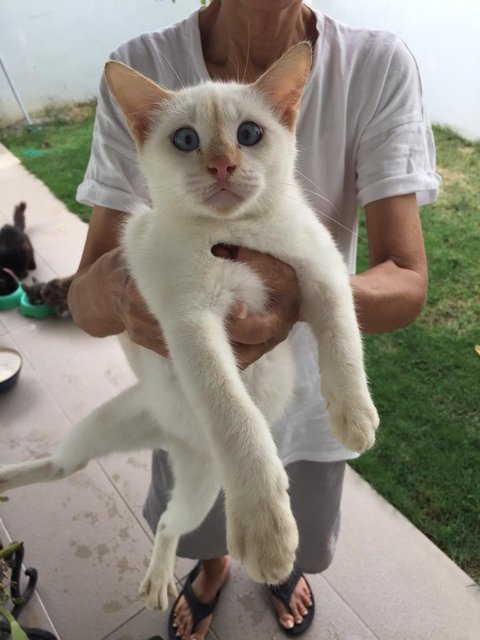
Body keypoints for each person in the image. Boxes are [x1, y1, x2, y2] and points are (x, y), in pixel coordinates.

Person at [70, 1, 440, 638]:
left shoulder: (376, 64)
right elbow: (87, 303)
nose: (221, 163)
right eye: (188, 141)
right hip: (185, 403)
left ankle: (277, 572)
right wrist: (122, 289)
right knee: (205, 505)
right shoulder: (143, 64)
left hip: (301, 408)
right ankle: (211, 567)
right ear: (147, 131)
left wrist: (303, 306)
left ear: (287, 113)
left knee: (294, 524)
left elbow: (394, 279)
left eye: (247, 137)